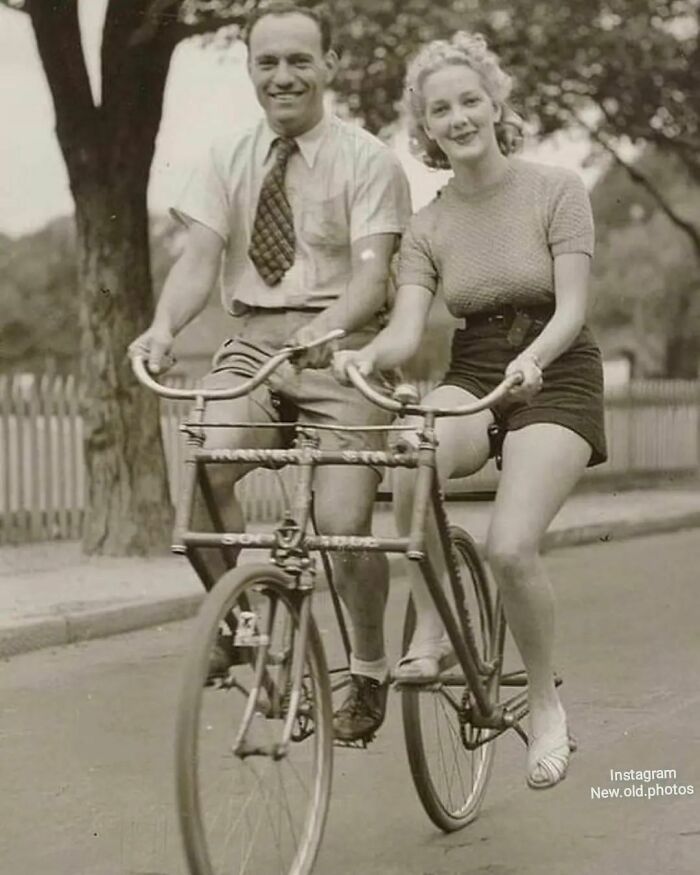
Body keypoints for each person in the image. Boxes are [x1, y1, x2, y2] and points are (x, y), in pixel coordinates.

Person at [129, 1, 412, 743]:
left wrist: (326, 331)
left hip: (343, 348)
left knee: (343, 527)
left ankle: (369, 668)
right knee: (202, 476)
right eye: (267, 62)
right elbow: (199, 262)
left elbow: (372, 278)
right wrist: (163, 328)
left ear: (329, 66)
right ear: (251, 69)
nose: (283, 76)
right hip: (254, 343)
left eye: (299, 60)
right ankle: (248, 634)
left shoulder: (368, 160)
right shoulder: (227, 156)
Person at [333, 31, 606, 787]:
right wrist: (368, 355)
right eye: (440, 110)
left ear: (495, 104)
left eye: (469, 101)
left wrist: (535, 359)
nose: (458, 118)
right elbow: (406, 329)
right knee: (410, 450)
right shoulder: (428, 224)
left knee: (510, 548)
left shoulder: (556, 189)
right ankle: (434, 623)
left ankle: (545, 706)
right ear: (425, 126)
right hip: (477, 363)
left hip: (557, 366)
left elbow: (573, 308)